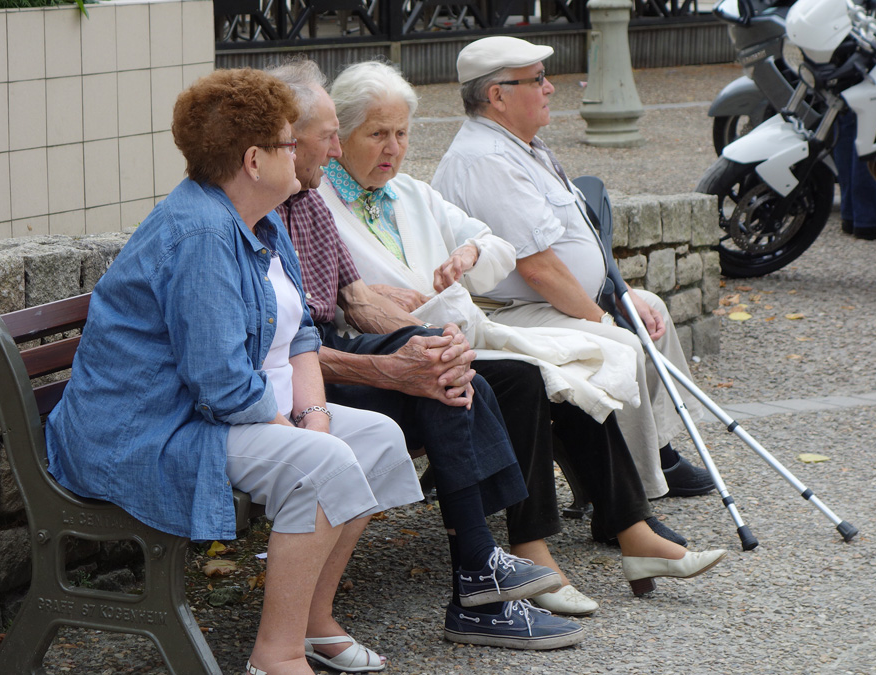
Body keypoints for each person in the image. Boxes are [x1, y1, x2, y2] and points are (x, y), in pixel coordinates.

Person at [272, 58, 726, 613]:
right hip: (405, 349)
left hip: (453, 336)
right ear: (335, 136)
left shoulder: (408, 193)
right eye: (376, 134)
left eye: (401, 134)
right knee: (526, 379)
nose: (391, 147)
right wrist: (401, 320)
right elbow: (335, 307)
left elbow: (490, 245)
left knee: (568, 373)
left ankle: (631, 528)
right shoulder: (311, 199)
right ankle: (530, 549)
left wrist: (467, 253)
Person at [42, 69, 427, 675]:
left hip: (198, 415)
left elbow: (300, 331)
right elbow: (219, 383)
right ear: (254, 159)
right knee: (319, 464)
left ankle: (314, 623)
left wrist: (315, 416)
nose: (299, 152)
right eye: (287, 143)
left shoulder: (264, 217)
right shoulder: (200, 234)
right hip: (145, 433)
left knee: (374, 439)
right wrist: (298, 434)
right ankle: (276, 656)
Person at [263, 60, 590, 653]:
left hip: (320, 362)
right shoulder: (251, 214)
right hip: (289, 384)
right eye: (330, 136)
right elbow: (279, 351)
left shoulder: (304, 199)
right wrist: (399, 364)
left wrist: (432, 340)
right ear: (281, 142)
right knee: (441, 380)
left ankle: (481, 566)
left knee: (450, 371)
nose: (337, 150)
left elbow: (355, 298)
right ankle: (478, 569)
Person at [431, 36, 716, 501]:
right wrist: (599, 316)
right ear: (497, 95)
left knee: (649, 309)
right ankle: (630, 496)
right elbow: (539, 269)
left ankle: (657, 451)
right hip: (506, 311)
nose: (551, 88)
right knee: (621, 340)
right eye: (537, 79)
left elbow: (575, 238)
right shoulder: (484, 159)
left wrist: (618, 294)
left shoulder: (522, 145)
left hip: (546, 301)